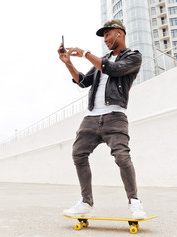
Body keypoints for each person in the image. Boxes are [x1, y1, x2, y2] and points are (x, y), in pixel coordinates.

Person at [57, 19, 146, 219]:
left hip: (115, 116)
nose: (105, 39)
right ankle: (86, 202)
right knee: (78, 154)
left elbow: (113, 70)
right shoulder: (101, 60)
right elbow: (83, 82)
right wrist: (68, 62)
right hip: (91, 117)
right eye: (103, 36)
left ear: (119, 34)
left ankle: (135, 203)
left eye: (108, 34)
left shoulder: (133, 57)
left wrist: (86, 54)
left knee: (122, 157)